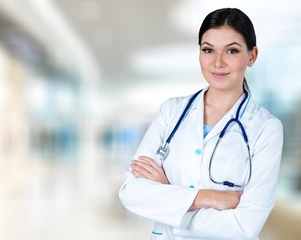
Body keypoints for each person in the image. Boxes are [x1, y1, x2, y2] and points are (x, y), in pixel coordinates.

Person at [119, 8, 283, 240]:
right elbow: (131, 192)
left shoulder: (266, 128)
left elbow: (245, 226)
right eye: (208, 50)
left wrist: (170, 200)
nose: (217, 62)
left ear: (252, 55)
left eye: (232, 51)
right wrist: (206, 197)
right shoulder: (171, 112)